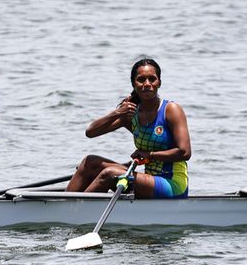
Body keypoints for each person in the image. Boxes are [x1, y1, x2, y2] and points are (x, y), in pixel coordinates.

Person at [66, 58, 191, 198]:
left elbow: (185, 152)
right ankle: (64, 205)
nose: (147, 84)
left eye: (152, 79)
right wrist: (117, 113)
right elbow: (91, 132)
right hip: (149, 178)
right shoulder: (131, 114)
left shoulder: (171, 109)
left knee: (110, 174)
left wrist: (149, 155)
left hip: (172, 184)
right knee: (90, 162)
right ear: (133, 84)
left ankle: (75, 212)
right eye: (141, 79)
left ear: (159, 82)